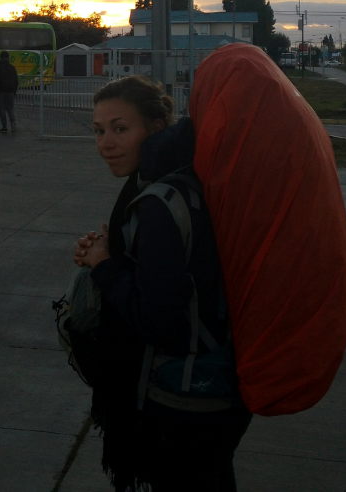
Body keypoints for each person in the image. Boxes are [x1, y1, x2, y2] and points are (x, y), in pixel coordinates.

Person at [73, 75, 252, 491]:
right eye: (99, 131)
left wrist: (104, 266)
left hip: (184, 400)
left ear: (155, 128)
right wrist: (111, 253)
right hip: (215, 388)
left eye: (120, 129)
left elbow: (159, 322)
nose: (106, 144)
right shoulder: (183, 179)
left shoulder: (159, 203)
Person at [0, 54, 19, 133]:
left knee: (2, 109)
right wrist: (14, 91)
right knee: (10, 109)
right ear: (8, 58)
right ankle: (13, 126)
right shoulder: (12, 67)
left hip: (0, 92)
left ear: (1, 58)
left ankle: (4, 127)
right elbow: (16, 81)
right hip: (10, 92)